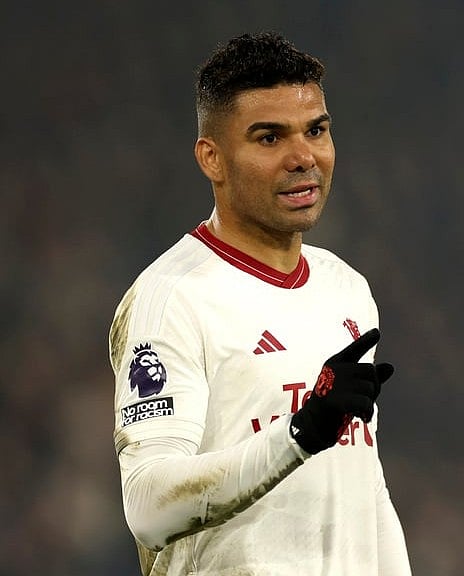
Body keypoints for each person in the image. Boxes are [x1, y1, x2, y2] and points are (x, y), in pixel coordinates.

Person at [108, 32, 411, 575]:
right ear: (212, 158)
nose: (303, 157)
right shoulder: (172, 299)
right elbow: (148, 507)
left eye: (316, 130)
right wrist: (298, 434)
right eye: (269, 138)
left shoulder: (345, 287)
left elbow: (363, 485)